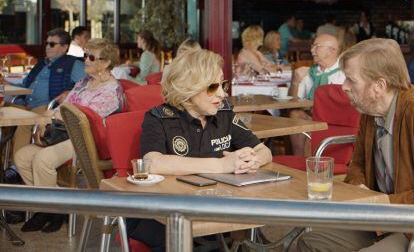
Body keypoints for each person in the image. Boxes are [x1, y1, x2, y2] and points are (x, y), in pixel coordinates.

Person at [297, 38, 414, 252]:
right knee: (310, 242)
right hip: (382, 220)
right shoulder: (371, 108)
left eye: (351, 80)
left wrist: (383, 201)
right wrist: (359, 190)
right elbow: (357, 164)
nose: (344, 87)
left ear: (379, 86)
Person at [127, 48, 272, 250]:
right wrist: (221, 165)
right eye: (213, 87)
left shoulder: (224, 115)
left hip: (217, 210)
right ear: (188, 89)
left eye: (223, 85)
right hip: (166, 215)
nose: (222, 94)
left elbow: (264, 150)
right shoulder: (160, 118)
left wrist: (251, 159)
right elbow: (152, 162)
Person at [15, 38, 124, 233]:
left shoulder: (111, 90)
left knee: (43, 159)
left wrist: (54, 117)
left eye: (91, 57)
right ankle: (54, 209)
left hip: (86, 139)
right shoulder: (84, 82)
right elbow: (64, 107)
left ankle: (51, 210)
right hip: (64, 133)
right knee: (22, 156)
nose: (86, 60)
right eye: (85, 56)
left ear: (106, 63)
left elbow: (83, 120)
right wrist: (45, 118)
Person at [289, 34, 345, 156]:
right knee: (295, 114)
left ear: (331, 50)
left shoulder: (344, 73)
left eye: (316, 46)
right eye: (312, 46)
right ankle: (298, 160)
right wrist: (295, 82)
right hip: (311, 117)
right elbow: (293, 102)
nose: (311, 50)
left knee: (312, 127)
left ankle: (311, 165)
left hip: (335, 120)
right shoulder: (309, 72)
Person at [18, 28, 85, 109]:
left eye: (52, 44)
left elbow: (88, 86)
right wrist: (6, 84)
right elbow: (24, 85)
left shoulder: (73, 64)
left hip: (49, 111)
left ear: (64, 47)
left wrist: (71, 93)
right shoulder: (41, 64)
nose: (47, 47)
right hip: (25, 106)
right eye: (47, 43)